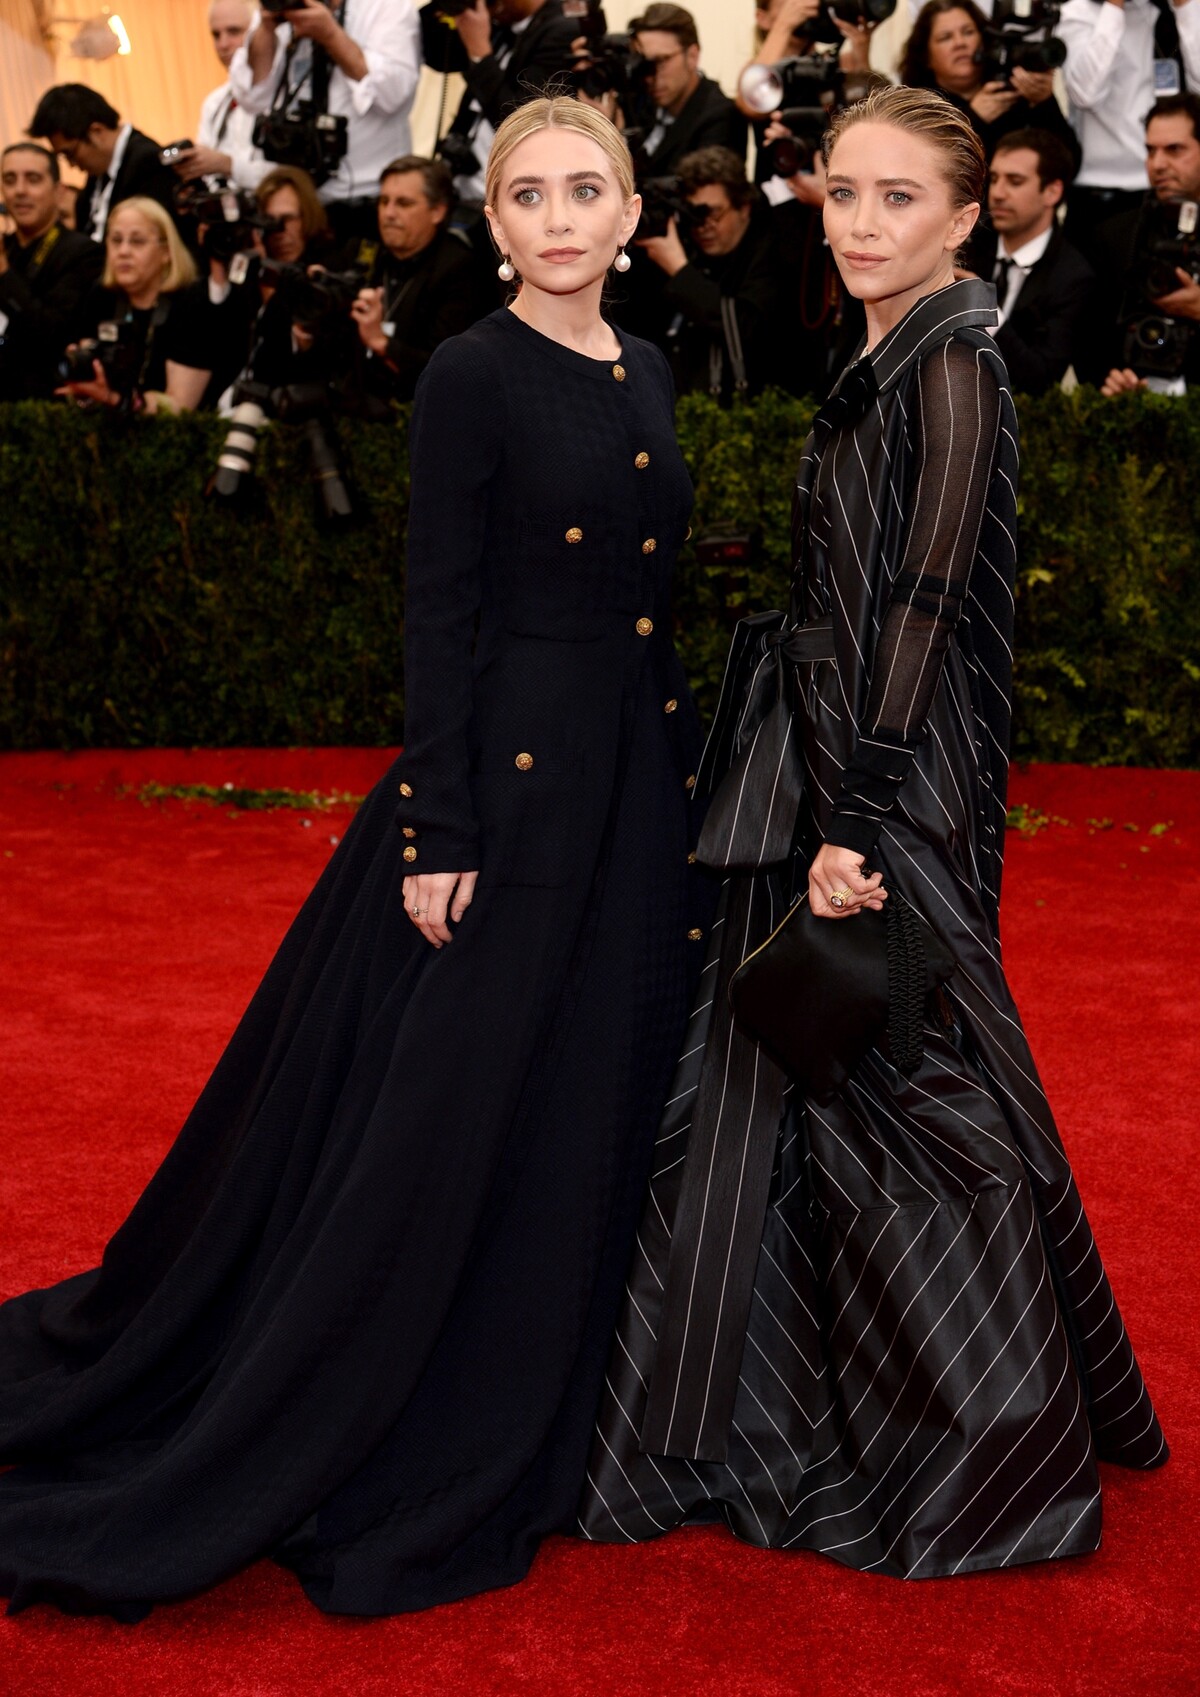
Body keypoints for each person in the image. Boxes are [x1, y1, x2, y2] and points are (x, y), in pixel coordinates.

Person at [0, 95, 710, 1621]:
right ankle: (378, 1416)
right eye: (529, 196)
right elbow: (438, 609)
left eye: (591, 189)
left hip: (634, 803)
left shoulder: (647, 365)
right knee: (446, 1122)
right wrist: (439, 829)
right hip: (511, 804)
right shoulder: (472, 373)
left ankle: (546, 1410)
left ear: (632, 202)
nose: (563, 218)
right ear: (496, 220)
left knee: (583, 1107)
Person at [579, 84, 1166, 1576]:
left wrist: (861, 814)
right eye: (842, 193)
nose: (859, 223)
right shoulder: (889, 359)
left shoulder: (956, 371)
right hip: (836, 764)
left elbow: (926, 604)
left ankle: (984, 1453)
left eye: (898, 198)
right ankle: (792, 1404)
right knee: (813, 1070)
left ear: (971, 216)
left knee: (901, 1083)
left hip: (884, 789)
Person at [230, 0, 422, 246]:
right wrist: (267, 27)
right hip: (298, 202)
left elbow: (392, 95)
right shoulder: (282, 7)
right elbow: (250, 97)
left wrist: (330, 34)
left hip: (364, 203)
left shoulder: (386, 7)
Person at [638, 144, 789, 398]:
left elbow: (747, 331)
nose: (703, 226)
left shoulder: (773, 252)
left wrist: (678, 268)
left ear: (744, 207)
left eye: (713, 213)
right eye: (693, 214)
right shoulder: (686, 244)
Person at [1057, 0, 1200, 259]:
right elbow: (1084, 93)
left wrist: (1186, 8)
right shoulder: (1081, 11)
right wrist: (1114, 7)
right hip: (1098, 197)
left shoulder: (1181, 10)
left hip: (1171, 192)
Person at [345, 155, 489, 404]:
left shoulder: (459, 269)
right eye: (384, 201)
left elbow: (448, 367)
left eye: (403, 203)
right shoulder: (365, 254)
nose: (389, 213)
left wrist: (382, 343)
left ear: (437, 211)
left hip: (419, 413)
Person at [1082, 94, 1200, 394]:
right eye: (1150, 151)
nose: (1157, 164)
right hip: (1130, 412)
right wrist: (1112, 380)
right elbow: (1088, 335)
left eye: (1174, 150)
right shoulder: (1116, 235)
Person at [966, 127, 1095, 393]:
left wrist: (984, 305)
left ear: (1052, 192)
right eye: (996, 179)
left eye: (1015, 182)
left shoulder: (1072, 276)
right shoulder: (968, 244)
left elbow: (1041, 379)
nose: (997, 193)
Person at [56, 197, 213, 415]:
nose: (124, 251)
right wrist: (85, 390)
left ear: (166, 252)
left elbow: (181, 407)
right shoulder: (101, 296)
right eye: (116, 240)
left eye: (137, 241)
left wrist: (124, 402)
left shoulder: (191, 302)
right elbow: (93, 390)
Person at [421, 0, 580, 208]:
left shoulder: (562, 29)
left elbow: (521, 119)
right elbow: (438, 53)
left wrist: (479, 51)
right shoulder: (499, 25)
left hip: (505, 195)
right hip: (460, 183)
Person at [901, 0, 1078, 165]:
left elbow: (1069, 163)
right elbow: (927, 165)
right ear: (926, 56)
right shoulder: (917, 106)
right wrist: (974, 118)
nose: (960, 43)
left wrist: (1044, 102)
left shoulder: (1010, 91)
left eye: (968, 32)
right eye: (946, 37)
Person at [0, 142, 103, 400]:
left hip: (45, 406)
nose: (20, 191)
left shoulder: (82, 253)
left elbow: (52, 334)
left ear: (58, 192)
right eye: (10, 180)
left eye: (33, 180)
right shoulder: (7, 247)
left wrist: (3, 274)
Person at [28, 85, 177, 245]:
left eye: (70, 154)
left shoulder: (147, 163)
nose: (71, 165)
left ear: (96, 131)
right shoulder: (99, 173)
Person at [628, 4, 748, 176]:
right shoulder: (639, 104)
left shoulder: (719, 116)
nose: (650, 75)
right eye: (644, 64)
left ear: (692, 56)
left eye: (661, 61)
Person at [170, 0, 270, 193]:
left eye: (234, 32)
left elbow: (296, 178)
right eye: (216, 35)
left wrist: (228, 166)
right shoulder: (214, 103)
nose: (223, 45)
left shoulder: (286, 95)